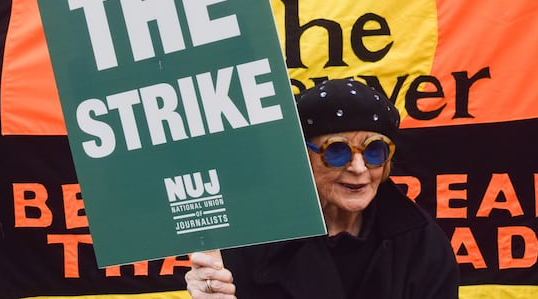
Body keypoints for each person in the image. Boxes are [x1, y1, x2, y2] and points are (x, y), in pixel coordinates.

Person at [185, 78, 459, 298]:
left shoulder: (422, 245)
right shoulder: (254, 239)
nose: (359, 168)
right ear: (302, 158)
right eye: (337, 151)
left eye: (374, 150)